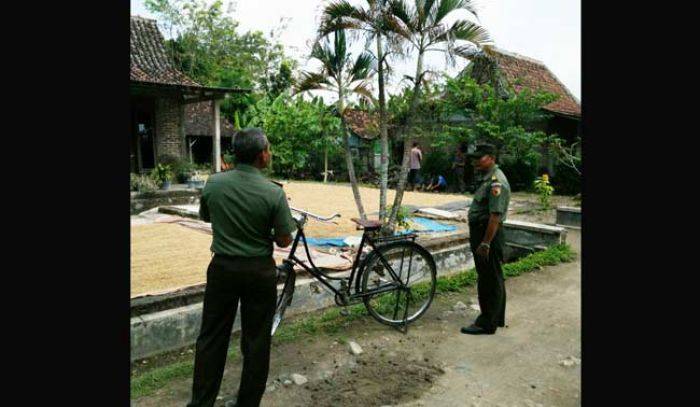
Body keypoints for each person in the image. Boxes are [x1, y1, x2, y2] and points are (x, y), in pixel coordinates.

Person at [188, 128, 297, 407]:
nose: (269, 153)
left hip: (222, 269)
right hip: (259, 272)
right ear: (262, 155)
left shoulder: (214, 183)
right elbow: (284, 240)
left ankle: (201, 403)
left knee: (211, 338)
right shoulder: (274, 193)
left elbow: (207, 215)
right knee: (256, 341)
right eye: (268, 149)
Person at [461, 143, 511, 335]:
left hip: (487, 234)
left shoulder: (496, 182)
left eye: (480, 158)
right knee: (493, 276)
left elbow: (495, 216)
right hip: (485, 233)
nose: (475, 162)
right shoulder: (488, 178)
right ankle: (495, 318)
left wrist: (485, 243)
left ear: (491, 157)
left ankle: (486, 323)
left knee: (488, 278)